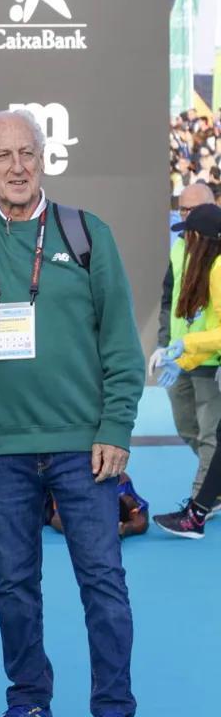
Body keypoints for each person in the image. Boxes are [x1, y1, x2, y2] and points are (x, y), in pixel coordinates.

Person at [0, 109, 145, 717]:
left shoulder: (86, 234)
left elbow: (120, 340)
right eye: (3, 156)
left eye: (27, 152)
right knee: (13, 585)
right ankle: (30, 705)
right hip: (0, 453)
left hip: (83, 449)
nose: (17, 166)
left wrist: (115, 426)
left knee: (104, 585)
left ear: (44, 158)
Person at [152, 203, 221, 538]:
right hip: (186, 358)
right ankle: (212, 491)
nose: (183, 230)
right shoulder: (180, 251)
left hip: (210, 362)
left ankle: (199, 506)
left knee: (214, 437)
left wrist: (188, 349)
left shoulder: (220, 267)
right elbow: (170, 299)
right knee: (190, 428)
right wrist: (169, 347)